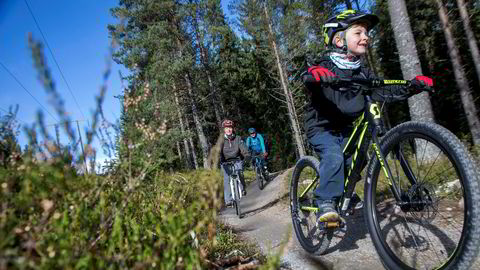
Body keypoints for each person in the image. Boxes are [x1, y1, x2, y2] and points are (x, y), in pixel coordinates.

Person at [303, 9, 434, 223]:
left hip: (347, 128)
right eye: (358, 32)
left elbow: (383, 91)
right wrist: (314, 75)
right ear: (338, 40)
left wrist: (412, 86)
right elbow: (308, 75)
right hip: (321, 128)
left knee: (358, 157)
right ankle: (325, 202)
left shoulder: (363, 73)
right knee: (334, 157)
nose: (366, 37)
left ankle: (346, 193)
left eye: (366, 33)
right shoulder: (325, 65)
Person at [220, 119, 249, 206]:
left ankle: (243, 188)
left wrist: (246, 155)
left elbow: (243, 148)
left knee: (240, 173)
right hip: (225, 162)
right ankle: (228, 200)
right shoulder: (221, 140)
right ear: (224, 129)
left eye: (230, 128)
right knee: (226, 180)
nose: (228, 129)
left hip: (236, 160)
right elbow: (218, 151)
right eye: (226, 128)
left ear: (232, 129)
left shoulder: (238, 138)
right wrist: (219, 158)